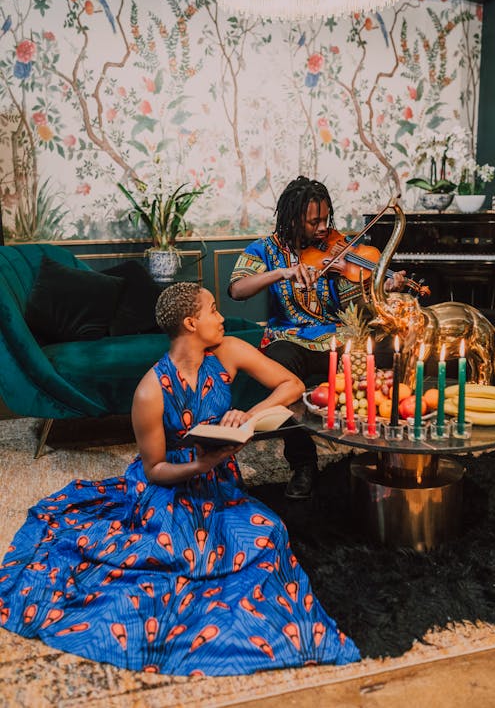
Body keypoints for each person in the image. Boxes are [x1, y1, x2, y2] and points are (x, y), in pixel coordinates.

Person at [0, 282, 360, 676]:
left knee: (269, 531)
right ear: (191, 322)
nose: (222, 317)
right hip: (171, 486)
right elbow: (155, 469)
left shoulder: (229, 352)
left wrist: (248, 416)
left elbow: (290, 385)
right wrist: (201, 466)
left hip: (219, 478)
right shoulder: (149, 392)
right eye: (213, 310)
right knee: (173, 554)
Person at [229, 175, 407, 500]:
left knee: (383, 353)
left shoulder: (341, 250)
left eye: (326, 218)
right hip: (290, 339)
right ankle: (303, 462)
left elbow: (355, 306)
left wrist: (382, 285)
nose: (323, 227)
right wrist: (281, 272)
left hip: (338, 338)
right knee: (279, 363)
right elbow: (237, 288)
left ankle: (377, 449)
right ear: (293, 219)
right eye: (314, 221)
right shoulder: (266, 250)